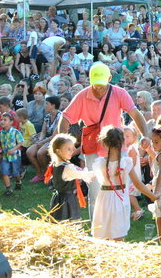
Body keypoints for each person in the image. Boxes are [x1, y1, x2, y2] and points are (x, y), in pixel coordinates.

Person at [58, 62, 149, 219]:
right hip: (93, 146)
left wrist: (145, 135)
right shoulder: (82, 95)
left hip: (116, 146)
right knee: (95, 189)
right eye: (95, 84)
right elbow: (65, 118)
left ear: (110, 78)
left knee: (120, 186)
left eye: (101, 84)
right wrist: (62, 141)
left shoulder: (120, 93)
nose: (98, 88)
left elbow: (135, 113)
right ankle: (97, 227)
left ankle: (119, 224)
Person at [92, 126, 156, 240]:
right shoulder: (126, 162)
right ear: (123, 142)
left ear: (103, 143)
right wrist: (153, 196)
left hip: (104, 199)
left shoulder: (100, 163)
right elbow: (138, 184)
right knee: (118, 234)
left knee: (103, 233)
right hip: (120, 200)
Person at [47, 134, 94, 221]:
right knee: (70, 222)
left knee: (59, 222)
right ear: (58, 151)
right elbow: (85, 175)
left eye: (73, 148)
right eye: (69, 149)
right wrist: (100, 170)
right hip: (68, 200)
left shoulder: (56, 164)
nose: (73, 150)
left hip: (58, 198)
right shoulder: (68, 167)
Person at [0, 112, 24, 196]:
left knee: (15, 173)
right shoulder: (0, 133)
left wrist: (13, 149)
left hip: (15, 156)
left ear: (11, 122)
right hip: (5, 156)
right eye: (1, 120)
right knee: (4, 172)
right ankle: (8, 189)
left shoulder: (15, 132)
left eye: (5, 120)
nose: (2, 122)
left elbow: (21, 142)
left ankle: (18, 181)